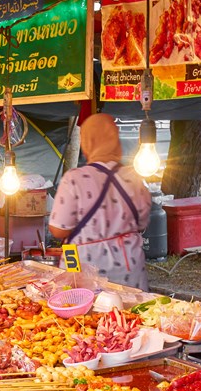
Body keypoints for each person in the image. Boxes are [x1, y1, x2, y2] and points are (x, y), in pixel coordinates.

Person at [49, 113, 152, 290]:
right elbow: (142, 223)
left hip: (85, 267)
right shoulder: (134, 178)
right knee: (129, 314)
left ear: (87, 142)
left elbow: (59, 230)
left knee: (83, 314)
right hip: (128, 268)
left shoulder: (74, 179)